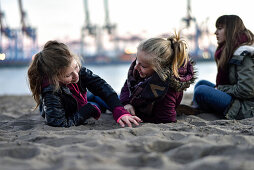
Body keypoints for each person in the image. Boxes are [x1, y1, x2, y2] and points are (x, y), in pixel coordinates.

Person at [27, 40, 142, 127]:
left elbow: (102, 87)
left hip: (83, 98)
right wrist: (88, 109)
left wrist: (119, 111)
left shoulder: (78, 71)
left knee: (116, 101)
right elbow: (59, 123)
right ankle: (98, 105)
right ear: (53, 78)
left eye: (76, 67)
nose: (76, 76)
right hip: (74, 109)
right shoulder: (51, 92)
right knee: (95, 105)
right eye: (68, 75)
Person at [120, 32, 196, 123]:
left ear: (160, 69)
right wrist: (126, 103)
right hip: (133, 102)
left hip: (148, 113)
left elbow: (166, 119)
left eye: (143, 66)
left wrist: (137, 115)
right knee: (109, 98)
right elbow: (126, 87)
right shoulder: (139, 71)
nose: (136, 67)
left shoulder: (167, 90)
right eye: (136, 61)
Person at [193, 15, 254, 119]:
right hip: (237, 99)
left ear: (231, 30)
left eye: (220, 29)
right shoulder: (230, 50)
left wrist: (220, 89)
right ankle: (197, 108)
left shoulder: (244, 54)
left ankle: (198, 109)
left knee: (201, 90)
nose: (215, 32)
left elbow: (247, 90)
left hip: (245, 107)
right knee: (201, 83)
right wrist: (220, 89)